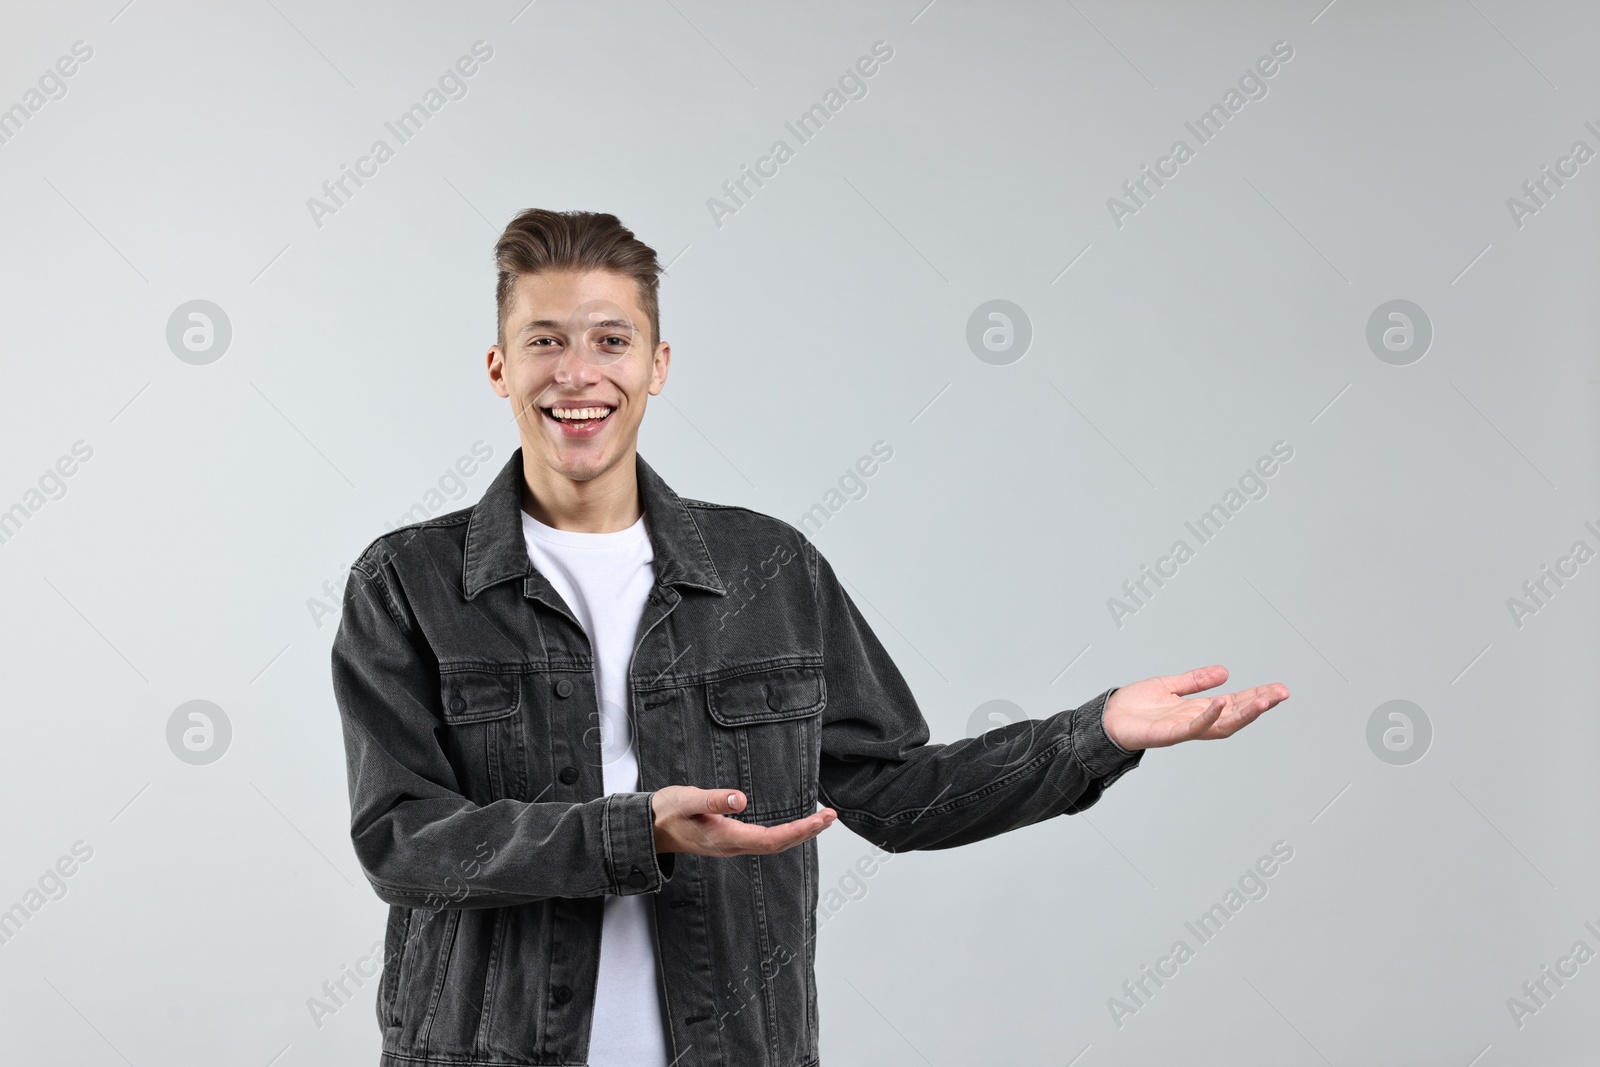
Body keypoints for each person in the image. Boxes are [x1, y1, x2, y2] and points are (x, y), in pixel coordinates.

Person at [329, 208, 1290, 1067]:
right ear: (500, 365)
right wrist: (636, 829)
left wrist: (1098, 731)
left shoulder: (770, 569)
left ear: (657, 364)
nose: (578, 373)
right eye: (545, 340)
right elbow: (402, 840)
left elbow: (902, 792)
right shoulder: (407, 582)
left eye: (611, 340)